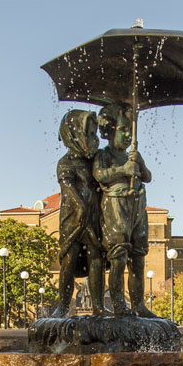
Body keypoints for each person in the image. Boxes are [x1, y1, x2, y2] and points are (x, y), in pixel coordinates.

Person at [93, 103, 156, 317]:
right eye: (123, 130)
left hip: (137, 205)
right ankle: (119, 302)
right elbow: (99, 175)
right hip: (116, 204)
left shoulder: (133, 155)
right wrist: (122, 170)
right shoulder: (104, 153)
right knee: (119, 253)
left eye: (130, 130)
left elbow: (147, 177)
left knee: (138, 254)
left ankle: (138, 303)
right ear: (109, 131)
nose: (128, 134)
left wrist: (140, 164)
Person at [51, 109, 105, 317]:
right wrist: (80, 205)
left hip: (93, 216)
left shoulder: (96, 162)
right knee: (69, 259)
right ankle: (63, 306)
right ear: (74, 135)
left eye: (94, 134)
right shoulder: (65, 163)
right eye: (89, 134)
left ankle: (98, 306)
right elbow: (68, 187)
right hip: (72, 217)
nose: (94, 139)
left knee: (96, 258)